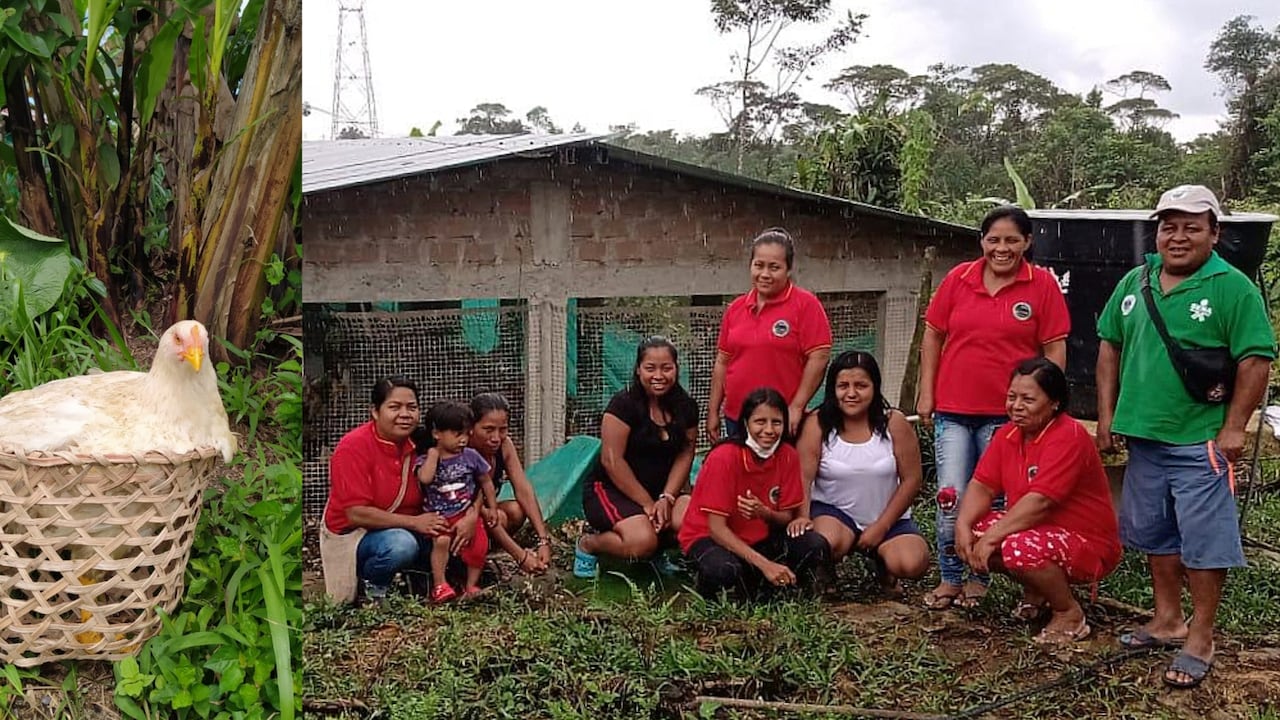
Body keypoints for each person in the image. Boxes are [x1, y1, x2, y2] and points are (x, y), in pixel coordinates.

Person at [1096, 185, 1275, 688]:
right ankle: (1167, 619)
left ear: (1214, 233)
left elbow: (1255, 359)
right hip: (1144, 437)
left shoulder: (1232, 287)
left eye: (1192, 227)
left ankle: (1201, 636)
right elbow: (1109, 345)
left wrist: (1234, 426)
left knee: (1204, 541)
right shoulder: (1136, 280)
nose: (1177, 237)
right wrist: (1107, 415)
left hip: (1201, 441)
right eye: (1168, 227)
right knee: (1155, 533)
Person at [917, 205, 1071, 610]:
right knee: (951, 495)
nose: (1002, 249)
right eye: (993, 240)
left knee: (997, 501)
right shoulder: (959, 279)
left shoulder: (1041, 285)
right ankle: (950, 577)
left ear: (1027, 242)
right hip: (953, 409)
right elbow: (933, 335)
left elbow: (1054, 348)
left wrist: (1047, 404)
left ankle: (979, 577)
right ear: (982, 241)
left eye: (1011, 240)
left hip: (1009, 417)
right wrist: (926, 392)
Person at [955, 358, 1121, 644]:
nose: (1016, 406)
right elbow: (983, 485)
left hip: (1086, 542)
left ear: (1054, 402)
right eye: (1012, 397)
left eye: (1028, 399)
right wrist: (962, 524)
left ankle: (1068, 612)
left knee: (1017, 547)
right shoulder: (1007, 434)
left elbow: (1041, 501)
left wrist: (993, 537)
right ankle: (1039, 592)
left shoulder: (1068, 436)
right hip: (1040, 531)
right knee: (976, 530)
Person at [791, 351, 929, 596]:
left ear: (874, 387)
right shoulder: (817, 422)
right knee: (825, 543)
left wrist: (882, 526)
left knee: (911, 563)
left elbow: (912, 479)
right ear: (832, 389)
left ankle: (883, 565)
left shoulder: (894, 422)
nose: (851, 393)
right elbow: (803, 476)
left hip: (887, 518)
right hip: (834, 514)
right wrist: (803, 517)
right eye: (843, 386)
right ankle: (826, 571)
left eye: (861, 386)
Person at [680, 388, 831, 597]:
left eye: (776, 422)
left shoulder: (788, 455)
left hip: (760, 536)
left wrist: (764, 513)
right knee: (724, 570)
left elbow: (786, 517)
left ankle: (799, 592)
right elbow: (716, 528)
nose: (769, 430)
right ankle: (706, 589)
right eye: (760, 422)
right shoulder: (723, 458)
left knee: (814, 545)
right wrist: (765, 565)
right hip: (710, 537)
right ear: (745, 423)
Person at [575, 337, 700, 578]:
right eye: (650, 368)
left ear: (676, 369)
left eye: (666, 368)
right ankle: (589, 544)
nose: (658, 376)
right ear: (638, 370)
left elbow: (686, 453)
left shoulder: (686, 407)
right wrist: (648, 504)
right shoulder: (623, 405)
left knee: (693, 520)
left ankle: (656, 552)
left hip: (661, 490)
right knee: (641, 541)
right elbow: (612, 461)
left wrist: (667, 497)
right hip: (612, 489)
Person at [324, 376, 450, 602]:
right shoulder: (352, 447)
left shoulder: (423, 443)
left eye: (412, 407)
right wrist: (415, 523)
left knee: (453, 531)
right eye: (395, 407)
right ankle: (372, 589)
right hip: (358, 535)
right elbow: (356, 514)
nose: (405, 414)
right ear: (375, 411)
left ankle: (432, 584)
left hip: (413, 526)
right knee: (401, 545)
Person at [707, 227, 832, 441]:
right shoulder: (736, 309)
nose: (765, 274)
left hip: (781, 420)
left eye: (774, 267)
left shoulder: (806, 305)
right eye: (759, 265)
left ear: (788, 269)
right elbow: (722, 362)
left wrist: (797, 406)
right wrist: (713, 411)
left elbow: (819, 357)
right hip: (737, 417)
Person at [414, 401, 498, 603]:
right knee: (441, 542)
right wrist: (433, 455)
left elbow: (486, 481)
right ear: (437, 434)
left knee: (479, 545)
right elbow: (425, 478)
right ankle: (440, 584)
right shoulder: (427, 458)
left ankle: (471, 585)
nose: (463, 440)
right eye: (457, 434)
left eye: (467, 434)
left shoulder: (471, 456)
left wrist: (492, 507)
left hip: (465, 511)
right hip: (438, 516)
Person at [469, 393, 553, 574]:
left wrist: (543, 540)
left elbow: (523, 489)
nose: (496, 437)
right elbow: (481, 512)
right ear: (471, 427)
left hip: (488, 514)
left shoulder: (504, 445)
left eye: (502, 429)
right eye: (488, 429)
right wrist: (520, 556)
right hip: (467, 517)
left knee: (515, 510)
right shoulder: (462, 454)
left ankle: (490, 545)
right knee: (499, 517)